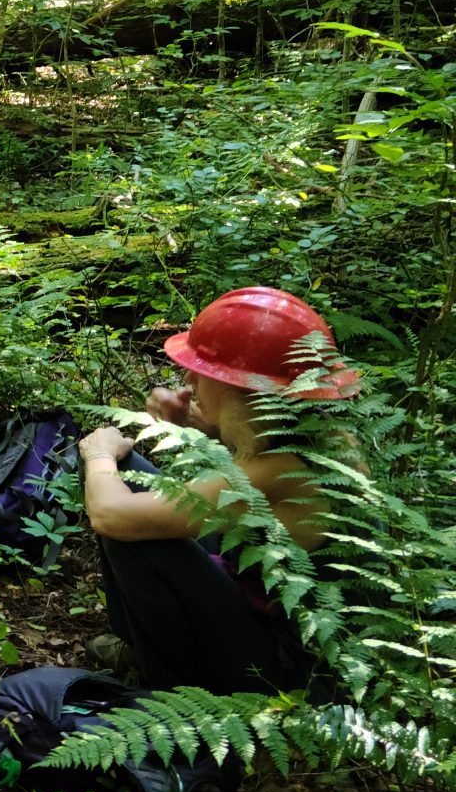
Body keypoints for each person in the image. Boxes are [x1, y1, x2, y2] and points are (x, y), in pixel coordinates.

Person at [77, 287, 360, 695]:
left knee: (130, 527)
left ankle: (176, 691)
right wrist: (193, 424)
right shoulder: (320, 438)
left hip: (280, 669)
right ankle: (138, 646)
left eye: (204, 374)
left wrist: (98, 455)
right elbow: (251, 444)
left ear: (240, 392)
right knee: (130, 478)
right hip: (271, 616)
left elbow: (110, 514)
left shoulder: (276, 472)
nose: (189, 381)